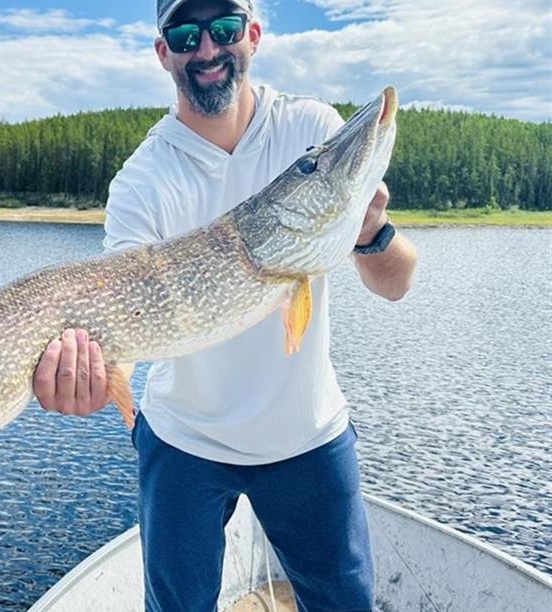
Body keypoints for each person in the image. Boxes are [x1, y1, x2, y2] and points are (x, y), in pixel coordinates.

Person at [32, 0, 419, 610]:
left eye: (225, 28)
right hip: (184, 442)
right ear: (165, 54)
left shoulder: (308, 126)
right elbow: (113, 326)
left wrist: (368, 231)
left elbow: (396, 283)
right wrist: (90, 381)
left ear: (254, 35)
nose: (207, 48)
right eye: (186, 34)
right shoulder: (143, 179)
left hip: (307, 434)